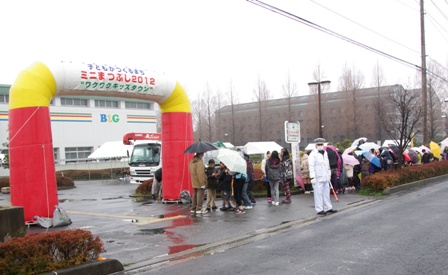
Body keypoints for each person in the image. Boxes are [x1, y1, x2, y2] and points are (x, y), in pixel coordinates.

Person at [308, 138, 336, 216]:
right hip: (317, 177)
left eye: (321, 144)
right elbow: (311, 166)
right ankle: (319, 209)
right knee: (318, 193)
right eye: (319, 144)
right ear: (316, 145)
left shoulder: (325, 152)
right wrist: (312, 177)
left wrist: (329, 174)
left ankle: (328, 207)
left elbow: (327, 164)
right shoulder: (313, 154)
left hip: (325, 176)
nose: (320, 146)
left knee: (326, 193)